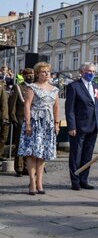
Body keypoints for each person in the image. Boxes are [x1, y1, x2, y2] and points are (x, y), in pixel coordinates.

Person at [18, 62, 60, 195]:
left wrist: (57, 123)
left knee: (42, 154)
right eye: (43, 72)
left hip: (47, 123)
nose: (46, 74)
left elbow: (56, 107)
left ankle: (40, 182)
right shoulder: (32, 87)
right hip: (35, 122)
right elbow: (27, 105)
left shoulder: (54, 89)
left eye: (48, 71)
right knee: (32, 153)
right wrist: (28, 123)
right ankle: (31, 182)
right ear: (37, 74)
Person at [65, 62, 98, 191]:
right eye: (89, 71)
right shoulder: (74, 86)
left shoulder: (97, 86)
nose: (91, 74)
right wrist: (71, 126)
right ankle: (75, 181)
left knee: (88, 155)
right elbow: (69, 109)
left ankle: (84, 179)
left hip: (94, 126)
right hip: (79, 126)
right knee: (76, 155)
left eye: (93, 71)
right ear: (82, 72)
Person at [9, 68, 35, 176]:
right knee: (20, 144)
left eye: (32, 74)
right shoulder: (18, 87)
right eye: (28, 75)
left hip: (32, 119)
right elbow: (12, 104)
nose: (30, 76)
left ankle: (26, 167)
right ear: (23, 76)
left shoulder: (35, 87)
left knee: (30, 144)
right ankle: (19, 168)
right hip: (20, 117)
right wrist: (13, 117)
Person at [0, 76, 9, 161]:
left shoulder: (0, 84)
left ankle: (0, 153)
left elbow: (4, 102)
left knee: (4, 136)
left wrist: (5, 116)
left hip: (1, 115)